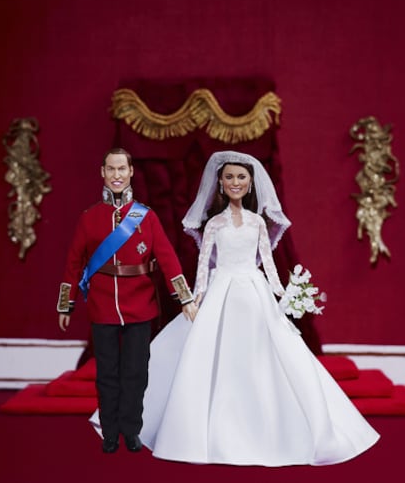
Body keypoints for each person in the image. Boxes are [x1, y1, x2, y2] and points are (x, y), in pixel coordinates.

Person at [91, 150, 380, 466]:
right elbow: (203, 264)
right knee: (209, 355)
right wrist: (195, 297)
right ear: (220, 182)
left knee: (270, 356)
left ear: (251, 182)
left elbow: (267, 263)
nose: (235, 182)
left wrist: (287, 295)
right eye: (229, 177)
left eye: (241, 177)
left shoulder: (258, 222)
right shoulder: (214, 223)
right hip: (222, 290)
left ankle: (279, 430)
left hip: (254, 292)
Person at [57, 147, 197, 454]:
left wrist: (185, 299)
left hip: (140, 306)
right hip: (102, 306)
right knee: (106, 374)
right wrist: (65, 304)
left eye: (122, 169)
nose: (117, 175)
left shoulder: (145, 217)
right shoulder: (89, 219)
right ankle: (110, 432)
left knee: (136, 373)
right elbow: (73, 262)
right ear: (103, 173)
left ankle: (132, 430)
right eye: (111, 169)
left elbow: (168, 258)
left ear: (131, 172)